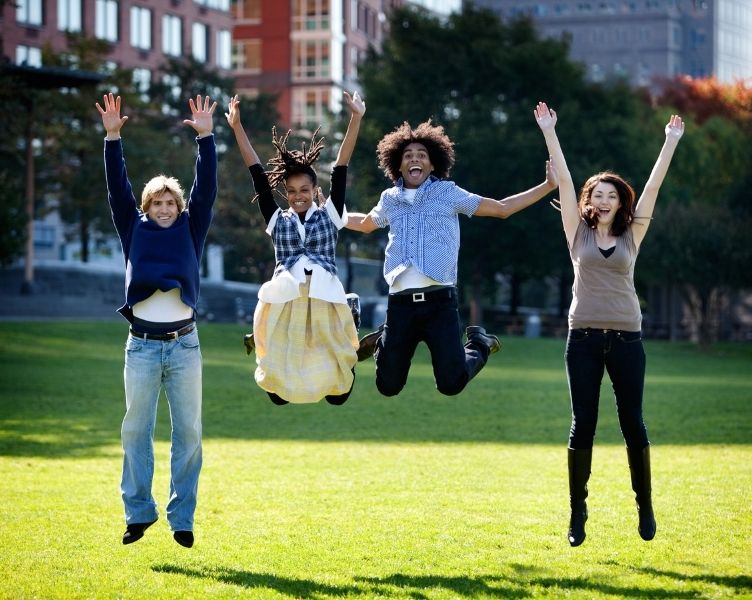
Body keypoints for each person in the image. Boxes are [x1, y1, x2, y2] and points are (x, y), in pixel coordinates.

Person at [533, 101, 684, 546]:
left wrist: (670, 141)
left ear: (621, 203)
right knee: (583, 424)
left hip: (626, 339)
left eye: (610, 194)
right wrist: (549, 130)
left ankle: (645, 506)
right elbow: (561, 175)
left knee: (633, 423)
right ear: (588, 200)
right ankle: (577, 514)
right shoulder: (575, 233)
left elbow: (654, 185)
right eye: (596, 193)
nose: (602, 199)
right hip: (581, 338)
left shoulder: (632, 235)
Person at [346, 119, 557, 397]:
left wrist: (547, 185)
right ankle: (386, 339)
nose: (415, 159)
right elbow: (365, 223)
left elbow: (502, 209)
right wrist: (330, 214)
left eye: (422, 155)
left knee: (451, 383)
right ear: (398, 165)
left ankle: (479, 344)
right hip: (400, 305)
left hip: (439, 304)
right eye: (408, 156)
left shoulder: (448, 193)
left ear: (433, 164)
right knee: (387, 386)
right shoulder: (390, 199)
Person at [96, 93, 218, 549]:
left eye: (170, 203)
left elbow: (206, 188)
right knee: (135, 430)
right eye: (156, 204)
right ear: (146, 208)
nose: (164, 209)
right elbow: (116, 188)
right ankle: (138, 513)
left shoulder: (192, 225)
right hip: (142, 346)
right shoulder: (134, 227)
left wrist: (206, 137)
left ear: (179, 207)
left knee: (188, 433)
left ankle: (181, 517)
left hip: (185, 346)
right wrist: (113, 138)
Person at [226, 91, 365, 405]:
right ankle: (269, 341)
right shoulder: (278, 220)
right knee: (277, 394)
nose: (298, 195)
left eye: (305, 189)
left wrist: (356, 118)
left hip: (325, 297)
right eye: (291, 191)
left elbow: (341, 164)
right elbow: (257, 175)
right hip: (287, 299)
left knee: (337, 394)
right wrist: (237, 127)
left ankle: (350, 319)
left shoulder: (330, 215)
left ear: (316, 189)